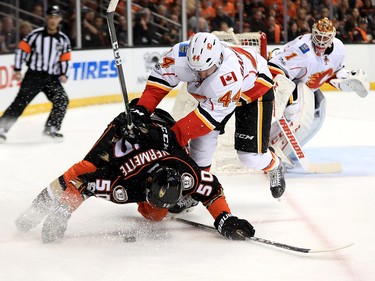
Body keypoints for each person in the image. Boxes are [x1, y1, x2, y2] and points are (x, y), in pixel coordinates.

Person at [15, 102, 255, 243]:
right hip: (122, 135)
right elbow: (83, 183)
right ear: (147, 183)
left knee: (155, 216)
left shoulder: (186, 173)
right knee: (84, 168)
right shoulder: (122, 182)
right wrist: (63, 210)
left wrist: (225, 219)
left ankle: (174, 200)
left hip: (163, 131)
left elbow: (211, 188)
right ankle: (35, 209)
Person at [135, 32, 286, 200]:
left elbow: (204, 121)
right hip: (217, 99)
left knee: (249, 157)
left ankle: (274, 164)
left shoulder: (228, 75)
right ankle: (195, 192)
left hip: (254, 90)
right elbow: (155, 88)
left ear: (219, 60)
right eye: (197, 70)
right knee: (199, 152)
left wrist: (169, 137)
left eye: (207, 70)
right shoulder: (178, 55)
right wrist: (141, 110)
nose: (202, 76)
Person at [267, 17, 370, 166]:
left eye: (325, 38)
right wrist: (281, 92)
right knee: (296, 115)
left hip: (309, 87)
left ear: (332, 37)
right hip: (293, 82)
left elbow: (334, 72)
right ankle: (269, 150)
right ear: (313, 33)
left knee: (317, 116)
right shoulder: (302, 50)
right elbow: (276, 66)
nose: (321, 41)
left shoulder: (339, 49)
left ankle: (288, 150)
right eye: (318, 36)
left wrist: (347, 79)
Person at [0, 6, 71, 142]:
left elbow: (65, 58)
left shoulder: (63, 39)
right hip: (34, 76)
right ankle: (1, 128)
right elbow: (21, 51)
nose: (53, 21)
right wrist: (17, 69)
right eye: (50, 17)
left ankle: (51, 129)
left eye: (56, 18)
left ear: (60, 19)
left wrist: (64, 73)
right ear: (46, 18)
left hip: (51, 78)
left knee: (62, 100)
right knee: (20, 102)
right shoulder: (35, 35)